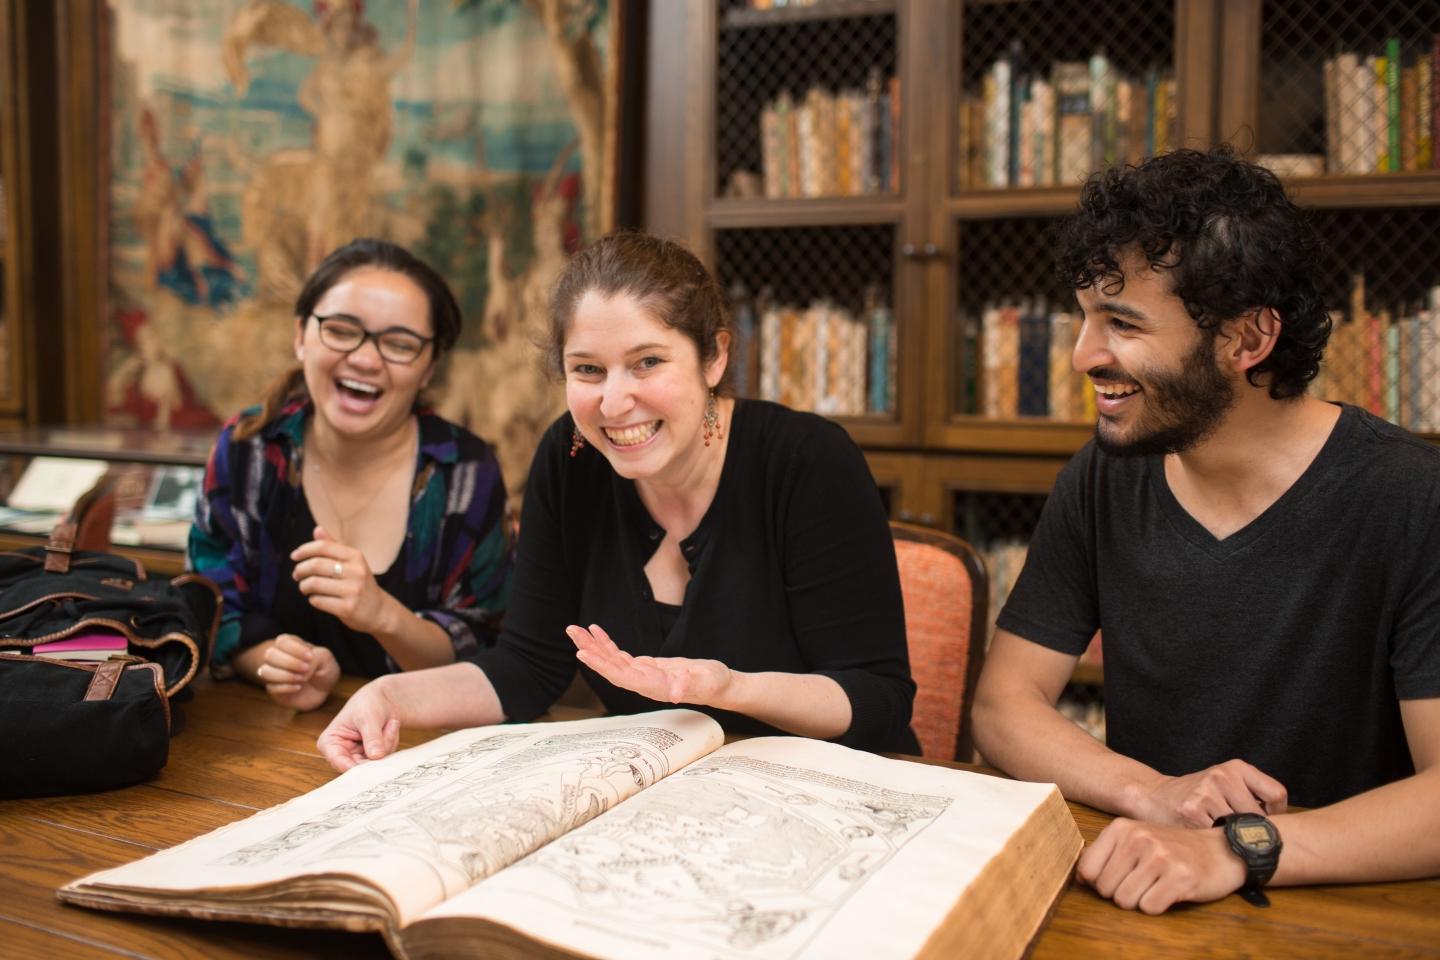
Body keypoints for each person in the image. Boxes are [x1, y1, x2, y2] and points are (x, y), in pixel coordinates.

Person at [971, 147, 1440, 914]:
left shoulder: (1412, 499)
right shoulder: (1102, 476)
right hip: (1144, 896)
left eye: (1122, 323)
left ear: (1248, 340)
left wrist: (1236, 848)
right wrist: (1157, 795)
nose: (1085, 354)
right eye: (1084, 318)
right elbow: (1002, 707)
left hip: (1342, 911)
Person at [317, 232, 918, 767]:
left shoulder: (807, 461)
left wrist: (725, 688)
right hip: (656, 798)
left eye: (647, 363)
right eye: (588, 370)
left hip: (822, 793)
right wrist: (388, 695)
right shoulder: (571, 457)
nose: (613, 402)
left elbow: (878, 700)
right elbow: (526, 668)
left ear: (714, 357)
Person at [189, 238, 512, 711]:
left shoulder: (464, 472)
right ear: (302, 335)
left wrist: (383, 615)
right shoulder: (249, 450)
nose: (364, 359)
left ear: (429, 367)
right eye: (341, 330)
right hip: (259, 739)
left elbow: (483, 646)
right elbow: (213, 607)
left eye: (400, 344)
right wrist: (276, 665)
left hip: (418, 741)